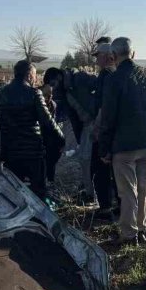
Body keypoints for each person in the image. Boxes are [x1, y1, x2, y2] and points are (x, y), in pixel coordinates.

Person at [98, 37, 146, 244]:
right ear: (133, 53)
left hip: (124, 145)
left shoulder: (113, 80)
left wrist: (104, 148)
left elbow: (108, 117)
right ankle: (142, 229)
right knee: (144, 188)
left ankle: (128, 234)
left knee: (128, 192)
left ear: (113, 56)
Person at [0, 60, 64, 199]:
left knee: (13, 192)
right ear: (29, 76)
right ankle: (38, 220)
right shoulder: (34, 94)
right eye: (34, 75)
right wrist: (61, 138)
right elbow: (47, 122)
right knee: (38, 192)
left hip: (9, 152)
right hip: (32, 152)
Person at [43, 63, 98, 198]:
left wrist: (100, 113)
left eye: (53, 84)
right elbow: (70, 116)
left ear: (59, 78)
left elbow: (101, 87)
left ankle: (93, 193)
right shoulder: (63, 92)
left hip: (96, 121)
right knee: (84, 158)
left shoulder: (79, 78)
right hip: (86, 125)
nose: (53, 88)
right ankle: (89, 190)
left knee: (87, 158)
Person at [90, 41, 118, 217]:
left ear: (108, 57)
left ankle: (105, 207)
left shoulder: (106, 75)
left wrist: (96, 129)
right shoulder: (116, 74)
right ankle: (117, 205)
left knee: (99, 169)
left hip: (105, 129)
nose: (96, 59)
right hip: (116, 130)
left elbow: (104, 106)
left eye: (98, 55)